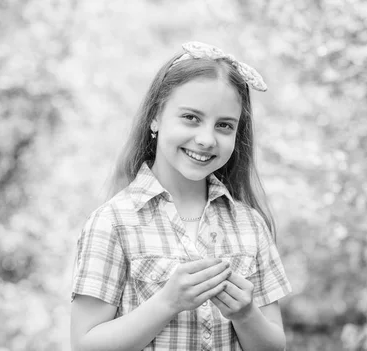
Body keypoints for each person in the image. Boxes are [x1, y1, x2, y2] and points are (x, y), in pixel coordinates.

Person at [70, 41, 292, 351]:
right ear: (156, 117)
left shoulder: (250, 225)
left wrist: (245, 315)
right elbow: (85, 344)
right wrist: (167, 303)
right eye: (191, 118)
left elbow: (274, 346)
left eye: (224, 125)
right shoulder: (113, 223)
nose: (206, 139)